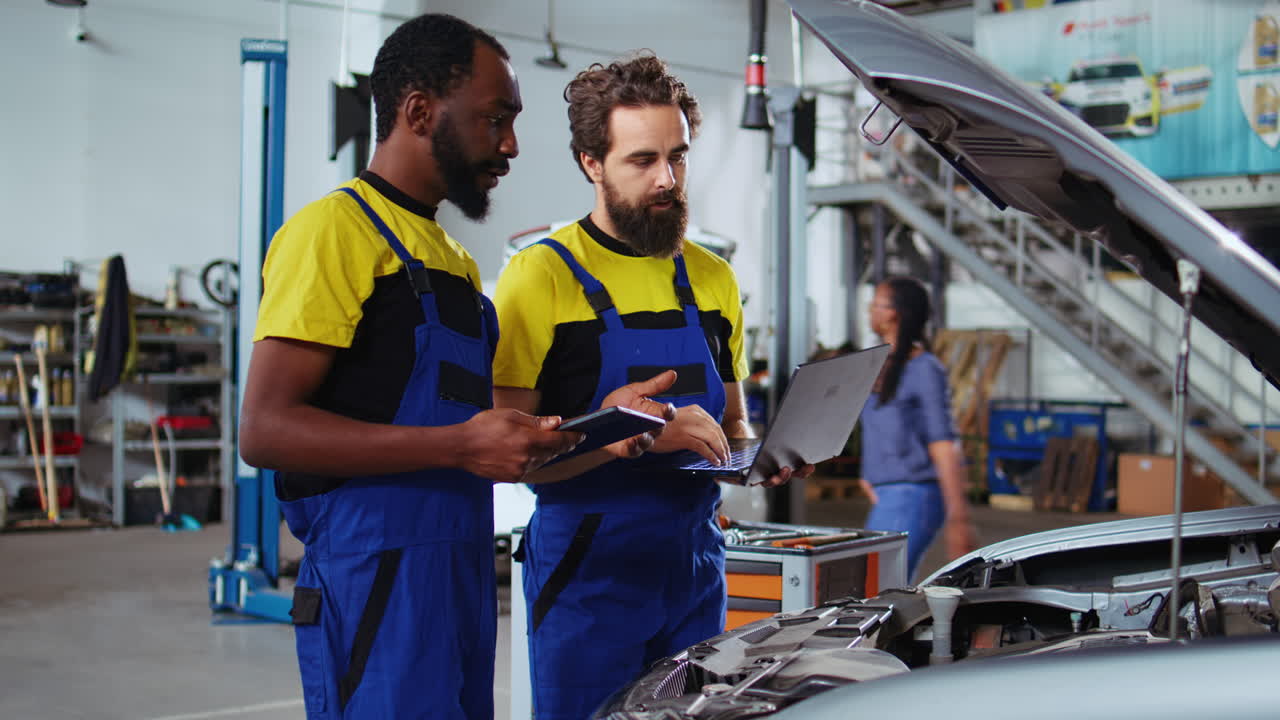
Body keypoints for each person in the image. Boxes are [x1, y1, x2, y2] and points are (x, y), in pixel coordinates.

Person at [238, 16, 674, 719]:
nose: (511, 144)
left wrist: (599, 426)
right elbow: (265, 431)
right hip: (374, 579)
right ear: (419, 112)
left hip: (460, 572)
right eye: (494, 119)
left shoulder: (453, 262)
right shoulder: (332, 233)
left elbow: (477, 433)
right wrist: (459, 446)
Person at [492, 54, 813, 720]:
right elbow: (512, 457)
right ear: (591, 162)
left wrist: (761, 457)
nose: (668, 179)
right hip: (588, 571)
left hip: (695, 563)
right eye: (643, 160)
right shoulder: (540, 277)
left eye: (679, 156)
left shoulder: (713, 279)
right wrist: (632, 436)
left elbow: (733, 421)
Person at [859, 276, 978, 579]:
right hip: (890, 494)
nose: (870, 310)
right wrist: (871, 475)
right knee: (878, 585)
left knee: (877, 585)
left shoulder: (924, 369)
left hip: (913, 495)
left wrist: (959, 519)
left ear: (893, 314)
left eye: (876, 304)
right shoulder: (882, 366)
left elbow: (943, 444)